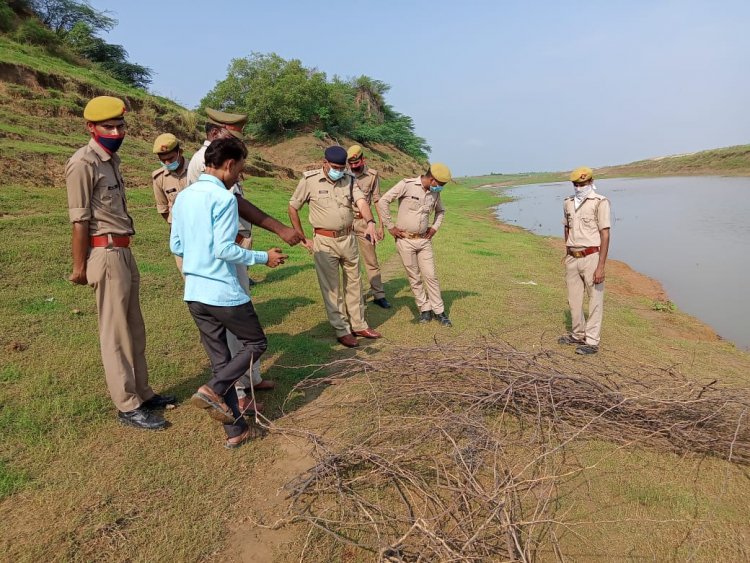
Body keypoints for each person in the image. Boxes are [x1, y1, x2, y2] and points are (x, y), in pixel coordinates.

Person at [65, 96, 175, 431]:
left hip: (124, 251)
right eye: (108, 126)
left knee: (134, 330)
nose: (116, 131)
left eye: (120, 125)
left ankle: (142, 393)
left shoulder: (111, 160)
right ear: (91, 128)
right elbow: (79, 221)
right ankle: (127, 406)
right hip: (105, 252)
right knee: (115, 335)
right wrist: (80, 267)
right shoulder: (82, 163)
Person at [171, 137, 287, 448]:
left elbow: (177, 246)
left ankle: (235, 431)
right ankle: (213, 389)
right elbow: (224, 249)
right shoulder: (223, 199)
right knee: (256, 343)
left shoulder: (183, 197)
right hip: (222, 291)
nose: (239, 177)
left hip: (194, 292)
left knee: (221, 360)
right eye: (240, 170)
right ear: (229, 165)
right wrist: (265, 257)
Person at [187, 108, 287, 411]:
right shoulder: (205, 167)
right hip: (223, 259)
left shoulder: (220, 166)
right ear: (217, 133)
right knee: (236, 329)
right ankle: (235, 390)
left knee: (234, 326)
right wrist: (268, 243)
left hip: (223, 256)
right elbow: (231, 207)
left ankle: (248, 381)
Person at [288, 145, 382, 347]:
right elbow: (293, 207)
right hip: (324, 241)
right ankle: (342, 329)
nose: (338, 171)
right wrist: (302, 237)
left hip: (348, 239)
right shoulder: (309, 181)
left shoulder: (349, 179)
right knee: (332, 288)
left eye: (341, 167)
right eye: (334, 167)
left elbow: (362, 202)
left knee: (355, 283)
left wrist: (371, 222)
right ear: (325, 163)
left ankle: (358, 324)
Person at [377, 164, 453, 327]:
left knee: (431, 276)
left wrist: (434, 228)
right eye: (440, 184)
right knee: (414, 277)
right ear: (432, 179)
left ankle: (439, 311)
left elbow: (440, 212)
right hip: (405, 240)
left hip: (424, 241)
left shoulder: (435, 193)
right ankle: (424, 309)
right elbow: (383, 201)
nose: (441, 188)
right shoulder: (407, 185)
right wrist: (390, 226)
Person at [557, 167, 611, 355]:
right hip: (573, 257)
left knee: (595, 299)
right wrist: (567, 250)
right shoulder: (568, 203)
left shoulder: (599, 202)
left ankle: (592, 341)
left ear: (590, 182)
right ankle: (577, 334)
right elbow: (567, 228)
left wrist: (601, 266)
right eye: (576, 184)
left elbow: (605, 234)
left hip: (592, 257)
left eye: (582, 184)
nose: (579, 187)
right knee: (574, 299)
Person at [347, 145, 391, 309]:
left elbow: (377, 199)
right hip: (345, 222)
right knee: (349, 261)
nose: (353, 166)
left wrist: (381, 225)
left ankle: (379, 295)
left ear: (363, 159)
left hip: (365, 223)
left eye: (356, 163)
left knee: (371, 260)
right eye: (350, 163)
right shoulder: (344, 174)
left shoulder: (372, 175)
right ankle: (355, 297)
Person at [151, 133, 190, 271]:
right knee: (186, 272)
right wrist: (176, 227)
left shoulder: (196, 170)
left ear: (180, 152)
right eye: (163, 160)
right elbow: (163, 209)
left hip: (203, 229)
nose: (167, 163)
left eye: (171, 158)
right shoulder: (159, 177)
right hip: (179, 232)